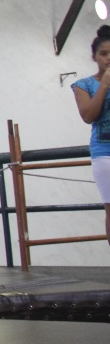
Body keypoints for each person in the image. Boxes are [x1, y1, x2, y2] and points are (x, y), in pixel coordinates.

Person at [72, 25, 110, 247]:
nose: (108, 58)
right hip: (104, 153)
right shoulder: (84, 85)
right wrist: (104, 85)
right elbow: (88, 115)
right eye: (104, 53)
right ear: (94, 57)